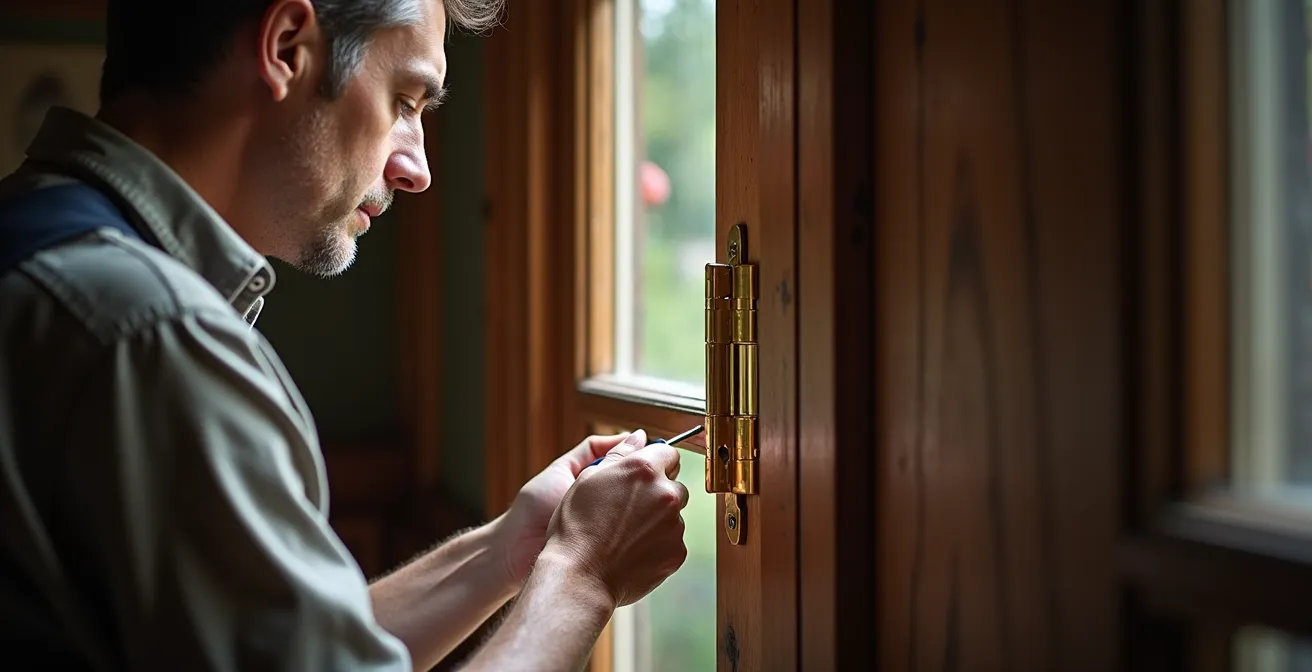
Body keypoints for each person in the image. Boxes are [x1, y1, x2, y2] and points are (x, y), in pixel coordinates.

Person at [0, 0, 691, 670]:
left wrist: (508, 550)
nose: (416, 170)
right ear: (286, 47)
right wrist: (582, 575)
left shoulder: (41, 250)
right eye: (405, 101)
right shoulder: (149, 338)